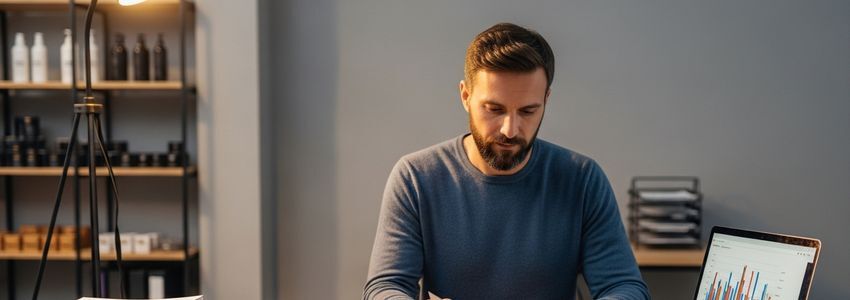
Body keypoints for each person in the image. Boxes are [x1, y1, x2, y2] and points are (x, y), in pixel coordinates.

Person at [363, 22, 649, 300]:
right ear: (465, 96)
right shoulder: (416, 177)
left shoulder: (582, 179)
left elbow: (625, 286)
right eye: (494, 109)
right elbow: (385, 286)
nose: (509, 130)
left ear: (546, 100)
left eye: (527, 111)